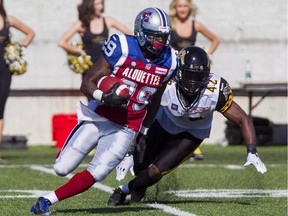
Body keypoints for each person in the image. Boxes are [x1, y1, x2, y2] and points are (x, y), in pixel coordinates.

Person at [30, 7, 178, 215]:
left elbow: (155, 99)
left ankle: (46, 201)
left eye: (163, 38)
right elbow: (87, 83)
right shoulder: (124, 47)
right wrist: (104, 96)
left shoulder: (170, 60)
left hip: (127, 127)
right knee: (61, 168)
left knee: (98, 172)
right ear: (141, 33)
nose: (160, 43)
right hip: (99, 116)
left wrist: (143, 132)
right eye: (155, 37)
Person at [107, 46, 267, 206]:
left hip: (192, 134)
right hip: (164, 122)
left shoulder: (215, 91)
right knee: (139, 164)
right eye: (189, 74)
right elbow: (142, 109)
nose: (193, 81)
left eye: (198, 76)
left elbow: (243, 119)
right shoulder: (166, 82)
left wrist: (252, 150)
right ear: (180, 71)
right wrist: (132, 145)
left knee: (155, 171)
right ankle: (136, 194)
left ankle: (122, 190)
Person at [169, 0, 220, 160]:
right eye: (179, 6)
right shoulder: (170, 25)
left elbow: (215, 40)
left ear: (190, 8)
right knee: (173, 106)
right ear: (174, 8)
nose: (182, 9)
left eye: (185, 6)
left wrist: (207, 54)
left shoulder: (196, 25)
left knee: (195, 105)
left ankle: (194, 147)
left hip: (191, 74)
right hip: (174, 71)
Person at [58, 0, 132, 80]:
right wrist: (79, 51)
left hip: (106, 66)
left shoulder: (108, 20)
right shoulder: (82, 24)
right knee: (90, 91)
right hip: (89, 69)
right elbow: (62, 42)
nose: (101, 7)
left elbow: (130, 33)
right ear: (89, 5)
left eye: (101, 3)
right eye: (97, 4)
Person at [0, 0, 35, 144]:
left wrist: (18, 50)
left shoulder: (8, 20)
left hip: (4, 71)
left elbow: (30, 33)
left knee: (0, 109)